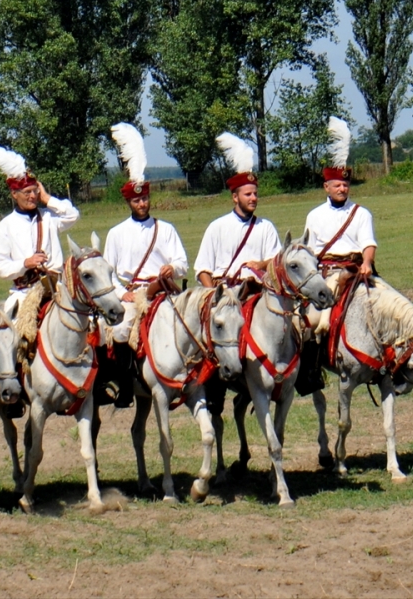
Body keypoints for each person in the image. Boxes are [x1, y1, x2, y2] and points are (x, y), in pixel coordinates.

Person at [103, 123, 188, 407]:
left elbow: (181, 262)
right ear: (129, 201)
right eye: (137, 199)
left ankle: (191, 377)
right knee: (120, 330)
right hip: (133, 295)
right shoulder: (116, 233)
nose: (142, 203)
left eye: (145, 198)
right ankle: (126, 384)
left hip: (163, 290)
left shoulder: (166, 229)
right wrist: (121, 293)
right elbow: (108, 273)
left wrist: (172, 270)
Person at [0, 143, 80, 313]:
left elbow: (73, 215)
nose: (33, 196)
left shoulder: (49, 217)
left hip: (57, 291)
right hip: (24, 293)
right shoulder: (6, 225)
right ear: (14, 194)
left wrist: (47, 198)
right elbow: (0, 267)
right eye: (27, 192)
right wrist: (25, 263)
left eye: (35, 191)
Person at [303, 117, 378, 333]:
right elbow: (309, 251)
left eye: (345, 185)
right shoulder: (314, 215)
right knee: (312, 323)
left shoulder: (362, 213)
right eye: (337, 185)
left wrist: (367, 263)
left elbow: (368, 243)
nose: (342, 189)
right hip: (325, 273)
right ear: (326, 187)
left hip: (356, 271)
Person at [194, 132, 282, 288]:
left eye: (255, 194)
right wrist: (212, 297)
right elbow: (202, 269)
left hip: (256, 292)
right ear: (235, 197)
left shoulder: (266, 227)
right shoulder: (217, 227)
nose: (253, 198)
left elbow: (277, 262)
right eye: (248, 194)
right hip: (224, 293)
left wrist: (261, 265)